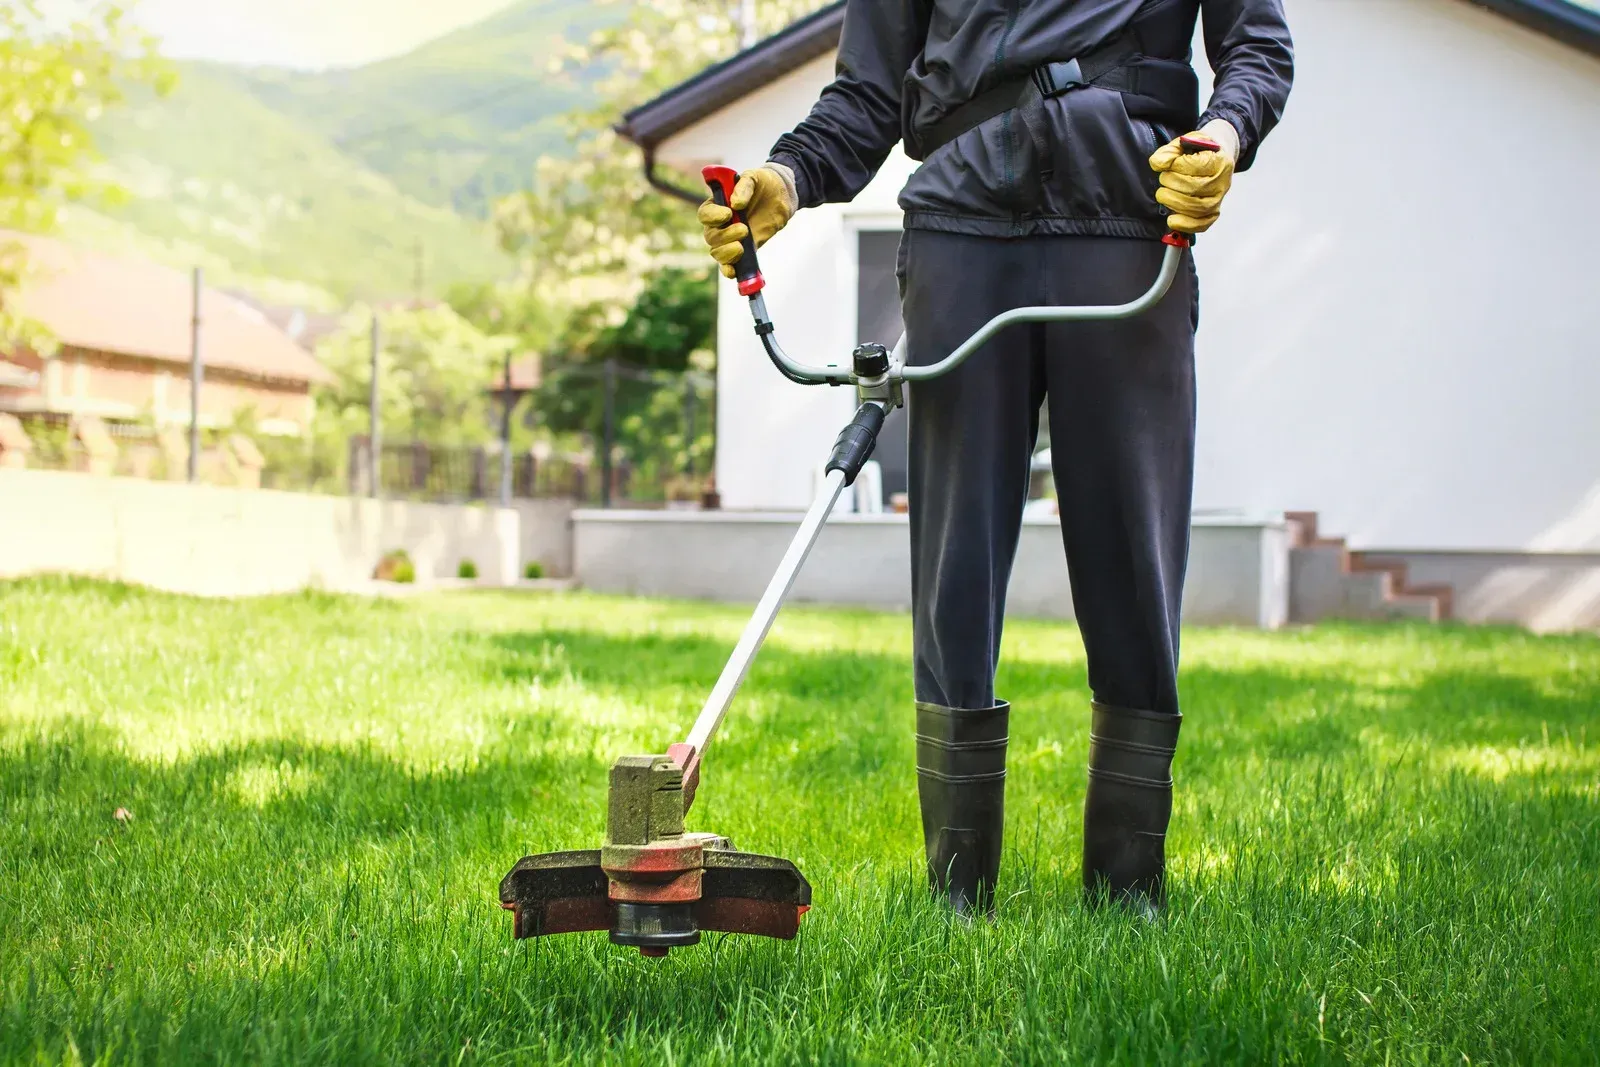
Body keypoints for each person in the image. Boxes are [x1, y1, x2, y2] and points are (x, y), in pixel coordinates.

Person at [698, 0, 1293, 917]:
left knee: (1133, 553)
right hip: (962, 225)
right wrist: (789, 175)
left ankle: (1128, 885)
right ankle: (957, 886)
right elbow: (866, 95)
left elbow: (1257, 44)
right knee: (955, 563)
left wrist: (1222, 134)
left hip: (1129, 217)